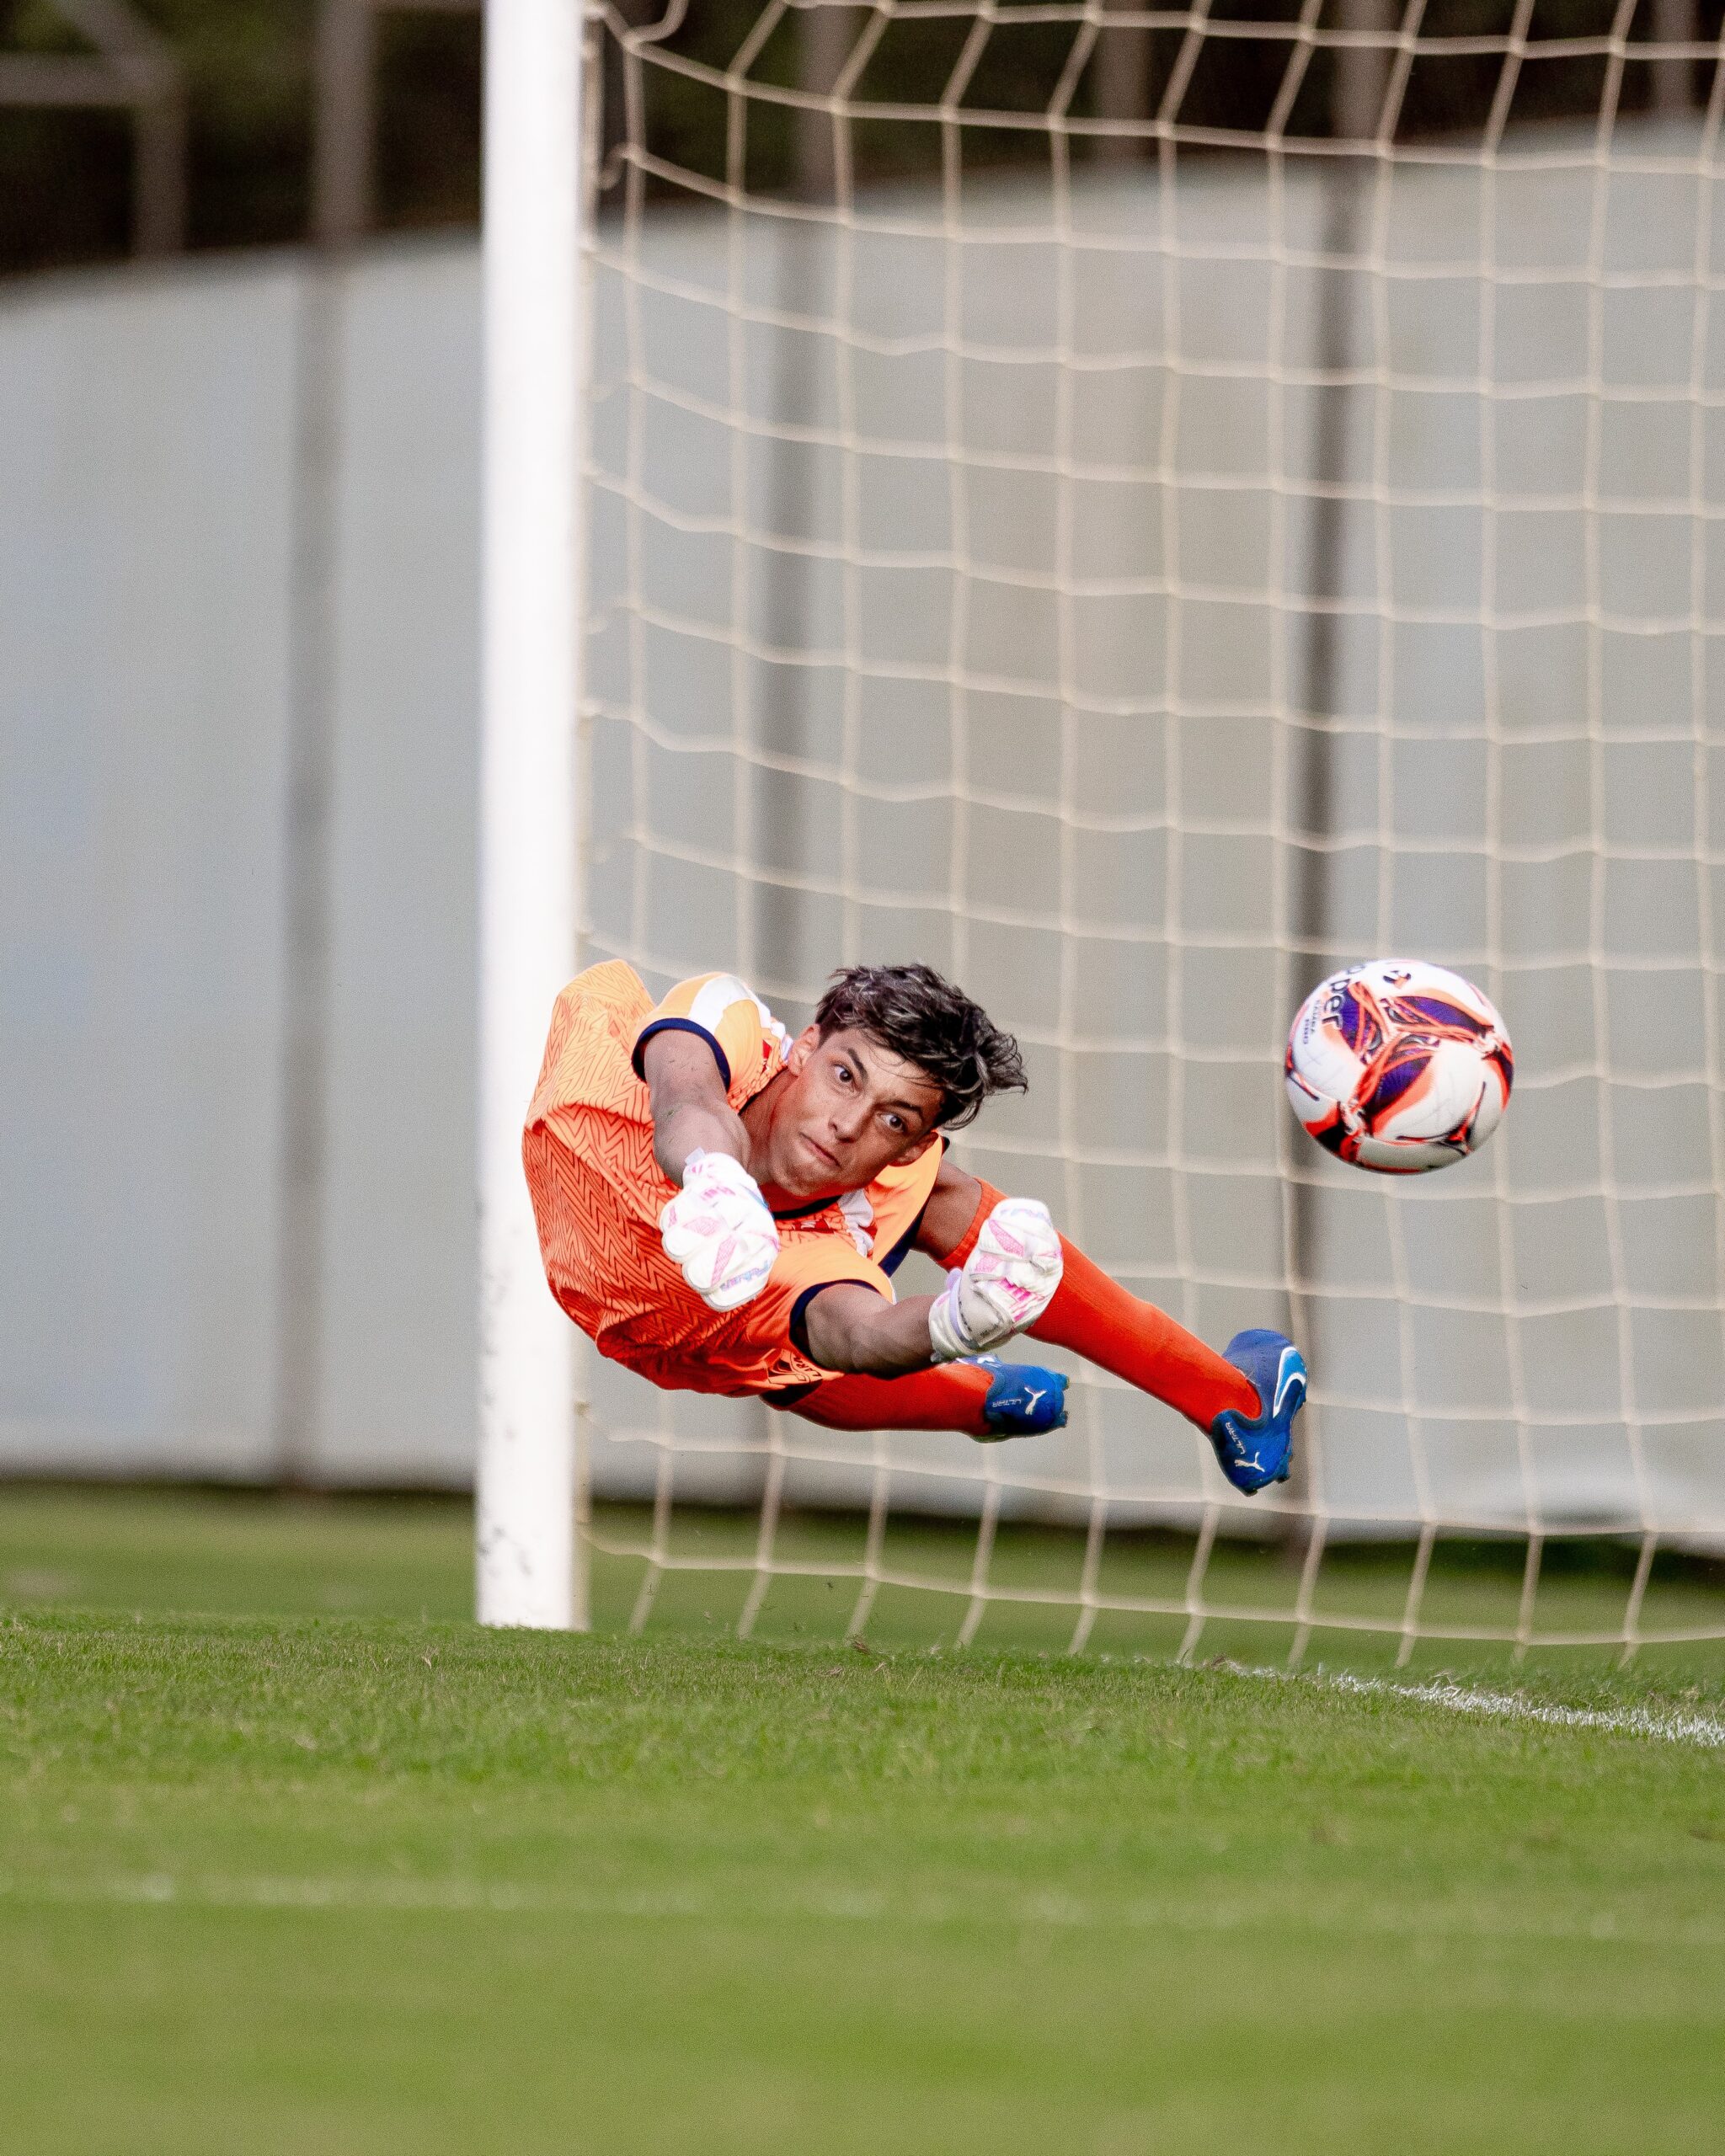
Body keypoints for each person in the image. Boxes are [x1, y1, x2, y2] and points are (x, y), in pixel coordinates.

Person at [523, 959, 1306, 1490]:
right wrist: (715, 1179)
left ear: (914, 1141)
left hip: (697, 1319)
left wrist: (955, 1321)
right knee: (794, 1348)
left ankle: (1224, 1402)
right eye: (843, 1077)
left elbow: (859, 1334)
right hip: (607, 1174)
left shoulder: (827, 1249)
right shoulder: (725, 1020)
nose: (844, 1125)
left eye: (892, 1118)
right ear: (805, 1046)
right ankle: (988, 1400)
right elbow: (685, 1097)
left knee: (812, 1351)